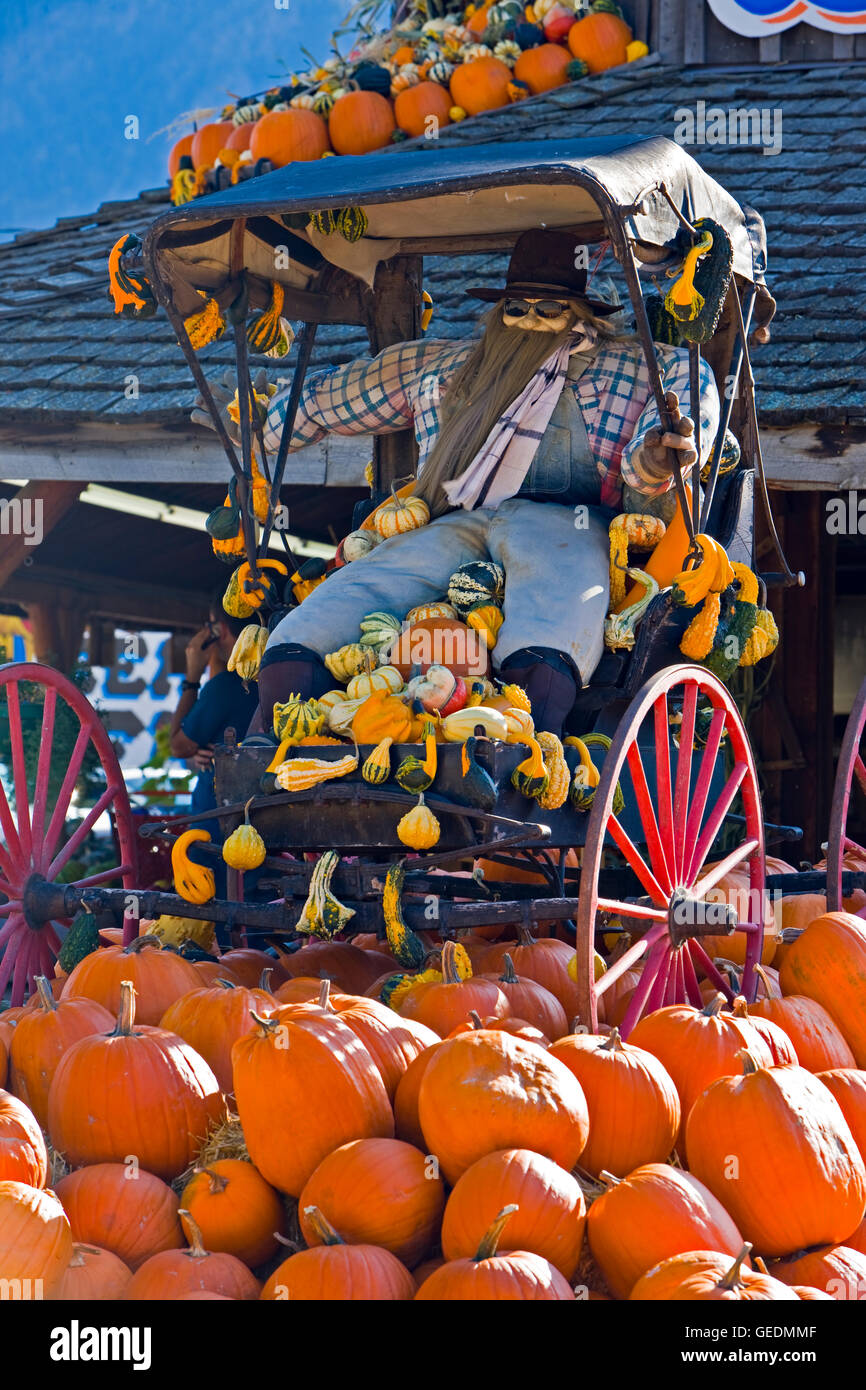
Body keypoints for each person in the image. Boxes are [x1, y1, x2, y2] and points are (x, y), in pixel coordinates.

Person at [196, 229, 719, 736]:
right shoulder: (443, 366)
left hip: (572, 525)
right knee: (367, 582)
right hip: (452, 521)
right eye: (517, 308)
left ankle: (517, 731)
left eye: (549, 308)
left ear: (584, 314)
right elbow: (327, 401)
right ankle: (295, 676)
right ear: (498, 311)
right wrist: (255, 421)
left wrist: (655, 458)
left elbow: (680, 425)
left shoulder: (643, 369)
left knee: (556, 595)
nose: (529, 322)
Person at [169, 590, 259, 827]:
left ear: (220, 629)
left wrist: (192, 676)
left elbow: (178, 746)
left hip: (216, 822)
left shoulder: (224, 687)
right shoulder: (266, 675)